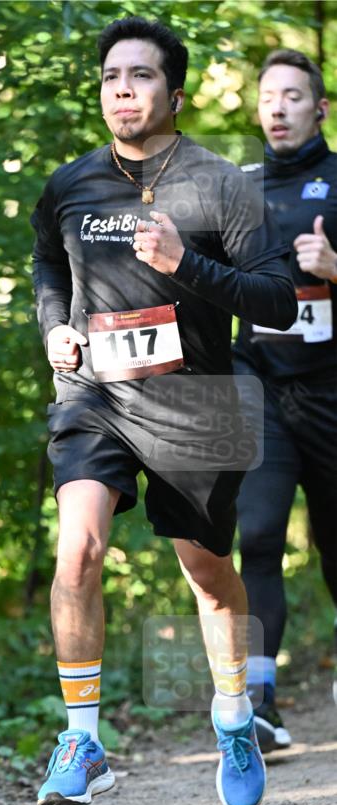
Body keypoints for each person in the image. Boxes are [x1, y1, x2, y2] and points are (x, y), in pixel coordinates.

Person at [30, 16, 297, 805]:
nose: (122, 89)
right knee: (76, 550)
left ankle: (233, 716)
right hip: (96, 397)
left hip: (196, 400)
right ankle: (82, 737)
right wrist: (54, 325)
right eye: (111, 76)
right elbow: (48, 259)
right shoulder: (69, 184)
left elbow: (277, 300)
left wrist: (188, 265)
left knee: (210, 578)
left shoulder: (222, 184)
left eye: (139, 76)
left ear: (172, 94)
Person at [233, 49, 337, 751]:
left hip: (332, 391)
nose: (276, 108)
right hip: (261, 385)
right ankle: (258, 700)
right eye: (268, 96)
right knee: (257, 532)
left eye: (292, 96)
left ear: (320, 109)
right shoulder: (232, 188)